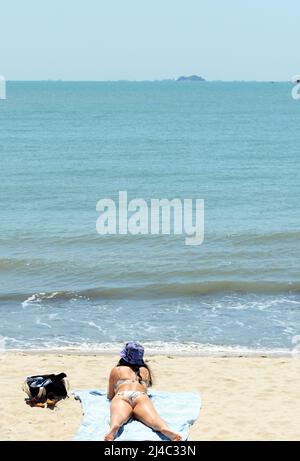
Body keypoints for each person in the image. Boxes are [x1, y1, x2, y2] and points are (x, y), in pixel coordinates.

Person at [104, 342, 182, 441]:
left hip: (122, 395)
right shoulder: (145, 370)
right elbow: (145, 389)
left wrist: (113, 397)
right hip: (140, 396)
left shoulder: (117, 370)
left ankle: (114, 428)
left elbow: (110, 395)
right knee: (154, 419)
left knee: (117, 418)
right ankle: (164, 429)